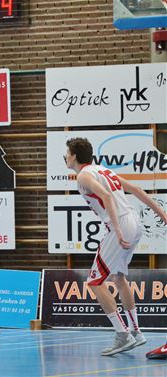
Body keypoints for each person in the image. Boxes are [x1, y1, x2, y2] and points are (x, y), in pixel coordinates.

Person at [64, 137, 167, 356]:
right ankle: (136, 332)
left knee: (94, 281)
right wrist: (163, 214)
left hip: (120, 224)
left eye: (67, 152)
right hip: (134, 222)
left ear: (73, 155)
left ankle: (123, 334)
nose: (65, 156)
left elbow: (106, 196)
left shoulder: (83, 175)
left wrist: (117, 230)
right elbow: (136, 189)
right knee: (118, 278)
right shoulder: (102, 170)